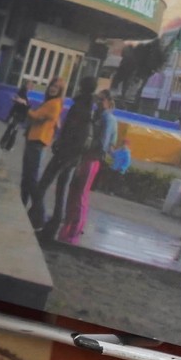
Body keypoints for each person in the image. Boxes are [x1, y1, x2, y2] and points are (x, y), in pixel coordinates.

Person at [36, 77, 97, 242]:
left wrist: (62, 146)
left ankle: (39, 218)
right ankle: (52, 225)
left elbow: (73, 131)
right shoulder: (88, 106)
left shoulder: (80, 107)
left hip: (66, 153)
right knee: (61, 190)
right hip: (72, 155)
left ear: (82, 86)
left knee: (43, 185)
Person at [58, 87, 118, 243]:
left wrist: (86, 149)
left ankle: (76, 228)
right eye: (97, 98)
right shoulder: (95, 115)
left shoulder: (107, 119)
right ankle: (69, 223)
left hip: (92, 159)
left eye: (101, 99)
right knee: (74, 190)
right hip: (83, 157)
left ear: (109, 102)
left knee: (81, 193)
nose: (98, 102)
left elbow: (103, 143)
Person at [19, 77, 65, 227]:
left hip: (38, 142)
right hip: (33, 139)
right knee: (26, 178)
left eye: (56, 87)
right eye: (52, 85)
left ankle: (40, 214)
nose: (53, 88)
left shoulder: (54, 104)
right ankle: (21, 206)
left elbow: (37, 116)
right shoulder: (49, 102)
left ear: (60, 91)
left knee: (31, 179)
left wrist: (25, 106)